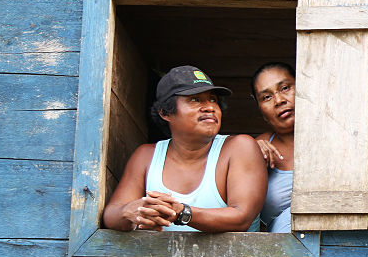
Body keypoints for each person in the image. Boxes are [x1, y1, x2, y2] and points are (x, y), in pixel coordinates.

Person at [103, 65, 266, 232]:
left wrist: (181, 213)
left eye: (213, 99)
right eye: (195, 100)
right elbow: (111, 214)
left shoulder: (239, 147)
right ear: (165, 112)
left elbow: (241, 218)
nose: (210, 107)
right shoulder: (146, 156)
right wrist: (132, 212)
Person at [252, 62, 296, 233]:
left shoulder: (336, 136)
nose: (279, 100)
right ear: (260, 109)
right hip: (282, 248)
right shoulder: (256, 148)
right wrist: (250, 154)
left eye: (285, 88)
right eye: (266, 97)